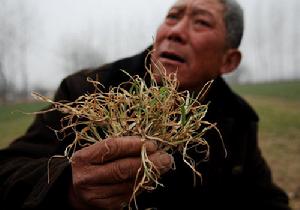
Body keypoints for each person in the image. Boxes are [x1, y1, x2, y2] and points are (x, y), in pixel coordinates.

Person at [0, 0, 291, 209]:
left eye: (201, 22)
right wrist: (68, 187)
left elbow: (266, 197)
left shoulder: (235, 119)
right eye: (172, 16)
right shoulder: (89, 89)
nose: (175, 31)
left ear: (228, 61)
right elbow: (8, 170)